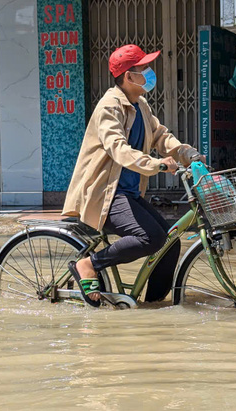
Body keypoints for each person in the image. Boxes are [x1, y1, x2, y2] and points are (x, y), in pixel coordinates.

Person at [62, 44, 203, 307]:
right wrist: (158, 164)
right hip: (106, 194)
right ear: (128, 76)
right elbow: (119, 149)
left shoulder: (140, 105)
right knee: (151, 238)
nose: (150, 73)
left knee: (170, 243)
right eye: (144, 68)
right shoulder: (109, 107)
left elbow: (161, 136)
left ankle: (155, 306)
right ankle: (88, 264)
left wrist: (187, 153)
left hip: (128, 193)